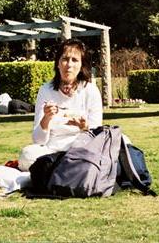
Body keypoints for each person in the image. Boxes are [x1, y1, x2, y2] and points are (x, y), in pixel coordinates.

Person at [18, 38, 103, 171]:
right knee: (27, 155)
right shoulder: (46, 90)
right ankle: (68, 169)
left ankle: (60, 169)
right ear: (58, 63)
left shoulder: (91, 90)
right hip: (52, 150)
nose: (69, 65)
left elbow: (97, 135)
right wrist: (46, 119)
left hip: (81, 148)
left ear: (81, 66)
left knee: (123, 141)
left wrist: (85, 127)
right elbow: (38, 140)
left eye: (75, 60)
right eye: (65, 59)